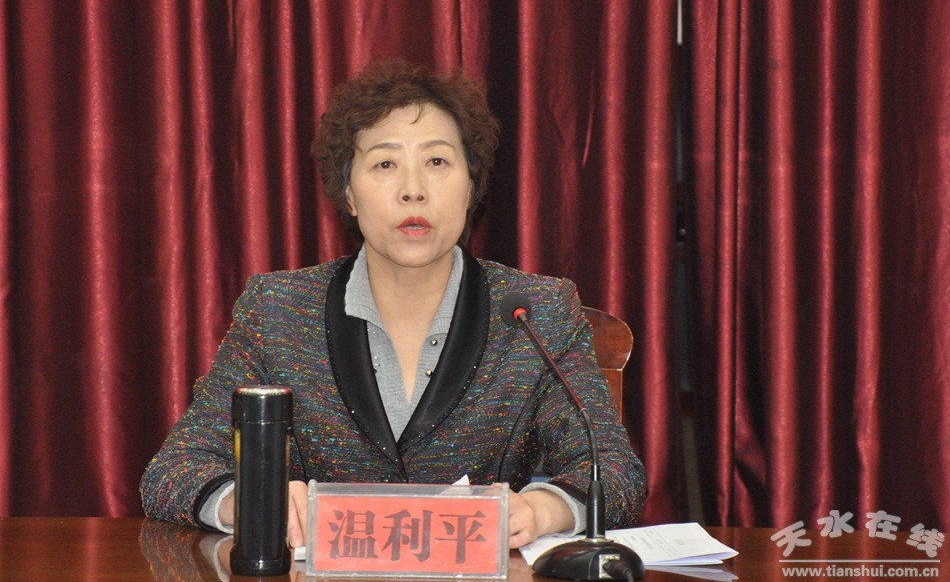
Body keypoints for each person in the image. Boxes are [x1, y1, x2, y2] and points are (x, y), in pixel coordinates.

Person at [140, 59, 647, 550]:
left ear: (471, 186)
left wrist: (541, 510)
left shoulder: (537, 311)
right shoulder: (279, 311)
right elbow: (174, 470)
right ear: (349, 193)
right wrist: (253, 500)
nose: (413, 191)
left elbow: (614, 470)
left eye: (437, 162)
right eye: (385, 164)